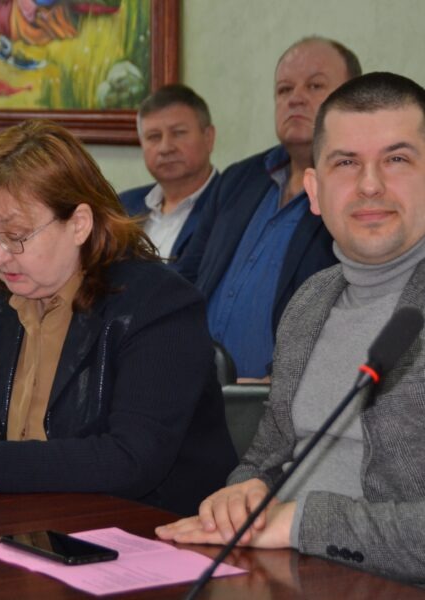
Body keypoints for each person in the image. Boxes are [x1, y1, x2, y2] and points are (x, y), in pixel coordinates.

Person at [157, 72, 425, 585]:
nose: (370, 184)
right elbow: (267, 456)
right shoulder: (310, 301)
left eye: (396, 159)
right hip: (278, 576)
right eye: (346, 162)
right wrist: (243, 493)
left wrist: (299, 522)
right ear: (315, 192)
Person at [0, 119, 237, 516]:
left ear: (79, 224)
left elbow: (130, 458)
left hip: (141, 531)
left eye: (15, 237)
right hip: (22, 523)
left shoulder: (159, 304)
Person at [176, 37, 361, 379]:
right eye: (284, 89)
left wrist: (284, 380)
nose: (295, 98)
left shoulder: (361, 193)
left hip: (289, 396)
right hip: (197, 387)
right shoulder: (238, 179)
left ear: (354, 99)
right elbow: (187, 276)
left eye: (315, 86)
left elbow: (360, 307)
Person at [120, 84, 217, 261]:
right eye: (154, 136)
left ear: (208, 137)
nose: (165, 148)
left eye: (178, 133)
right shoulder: (122, 207)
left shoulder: (232, 208)